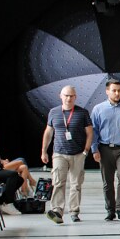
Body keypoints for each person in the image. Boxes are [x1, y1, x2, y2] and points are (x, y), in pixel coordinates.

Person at [41, 85, 94, 224]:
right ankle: (57, 211)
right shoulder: (53, 112)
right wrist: (44, 151)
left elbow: (90, 133)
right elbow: (48, 132)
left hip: (77, 153)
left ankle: (74, 211)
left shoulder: (82, 113)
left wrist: (85, 151)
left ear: (75, 97)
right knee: (58, 182)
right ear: (60, 96)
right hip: (59, 153)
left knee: (76, 184)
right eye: (66, 95)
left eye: (71, 96)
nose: (68, 98)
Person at [90, 78, 120, 221]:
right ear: (107, 92)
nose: (117, 93)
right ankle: (110, 210)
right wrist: (94, 149)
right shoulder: (98, 109)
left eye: (119, 91)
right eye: (114, 90)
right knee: (107, 181)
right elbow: (94, 131)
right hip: (104, 148)